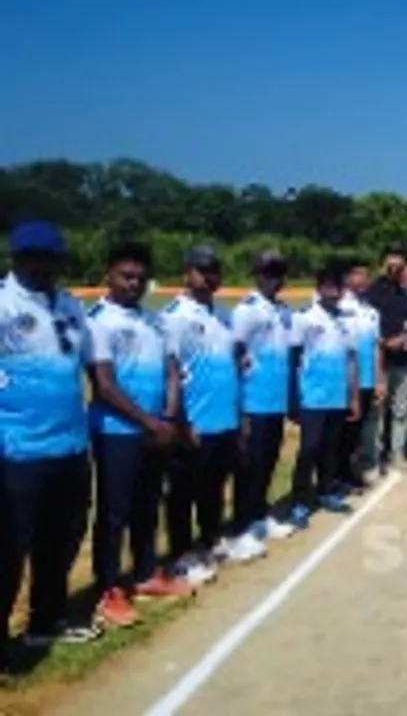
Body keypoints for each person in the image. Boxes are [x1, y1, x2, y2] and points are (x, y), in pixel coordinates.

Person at [0, 221, 101, 659]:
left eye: (50, 258)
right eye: (32, 257)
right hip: (17, 451)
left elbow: (92, 367)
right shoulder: (2, 304)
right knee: (9, 548)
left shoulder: (72, 307)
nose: (42, 266)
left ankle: (46, 620)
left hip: (70, 448)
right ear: (17, 258)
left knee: (62, 538)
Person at [85, 242, 191, 628]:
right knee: (115, 512)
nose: (134, 283)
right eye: (126, 276)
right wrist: (150, 423)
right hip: (117, 431)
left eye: (140, 277)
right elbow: (105, 386)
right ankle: (108, 589)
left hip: (156, 428)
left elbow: (171, 372)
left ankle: (146, 573)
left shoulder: (155, 321)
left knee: (148, 504)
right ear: (109, 275)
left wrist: (167, 416)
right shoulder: (98, 320)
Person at [161, 246, 237, 588]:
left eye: (215, 270)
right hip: (193, 422)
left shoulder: (223, 313)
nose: (210, 276)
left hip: (224, 419)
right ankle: (181, 555)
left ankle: (210, 539)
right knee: (182, 493)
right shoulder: (174, 315)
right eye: (203, 270)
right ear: (187, 272)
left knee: (214, 487)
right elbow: (170, 372)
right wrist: (179, 422)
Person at [228, 249, 296, 562]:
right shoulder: (247, 309)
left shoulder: (283, 310)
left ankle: (259, 516)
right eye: (269, 273)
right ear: (257, 274)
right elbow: (235, 354)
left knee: (268, 462)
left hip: (275, 401)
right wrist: (239, 407)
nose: (275, 279)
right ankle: (240, 529)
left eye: (280, 273)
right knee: (249, 467)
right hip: (253, 401)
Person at [287, 264, 360, 529]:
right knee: (309, 448)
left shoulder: (345, 320)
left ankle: (326, 491)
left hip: (336, 396)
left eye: (337, 287)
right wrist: (293, 399)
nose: (333, 291)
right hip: (312, 396)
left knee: (330, 448)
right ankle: (299, 500)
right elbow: (293, 359)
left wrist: (353, 397)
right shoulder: (304, 317)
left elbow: (351, 361)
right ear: (319, 288)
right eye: (328, 286)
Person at [364, 246, 407, 476]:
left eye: (400, 266)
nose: (395, 270)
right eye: (391, 265)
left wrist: (405, 337)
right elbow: (367, 329)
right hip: (380, 360)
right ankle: (373, 459)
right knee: (376, 413)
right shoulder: (371, 293)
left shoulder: (405, 293)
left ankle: (397, 455)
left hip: (403, 360)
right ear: (382, 265)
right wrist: (385, 342)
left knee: (400, 410)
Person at [335, 261, 383, 489]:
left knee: (357, 431)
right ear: (346, 278)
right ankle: (337, 476)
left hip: (366, 380)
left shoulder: (371, 311)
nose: (362, 280)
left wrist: (379, 380)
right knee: (343, 431)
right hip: (345, 382)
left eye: (366, 276)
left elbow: (376, 348)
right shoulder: (338, 307)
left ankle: (349, 473)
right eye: (357, 275)